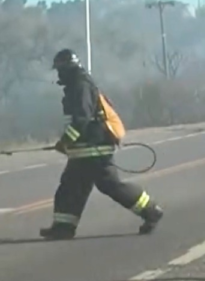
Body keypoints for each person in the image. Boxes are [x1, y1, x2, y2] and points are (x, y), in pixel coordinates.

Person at [40, 49, 164, 240]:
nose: (58, 74)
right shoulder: (78, 84)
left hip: (94, 148)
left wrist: (65, 141)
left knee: (108, 185)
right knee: (71, 187)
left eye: (60, 70)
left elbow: (82, 118)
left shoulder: (80, 86)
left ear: (67, 68)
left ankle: (151, 210)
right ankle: (63, 227)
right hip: (85, 149)